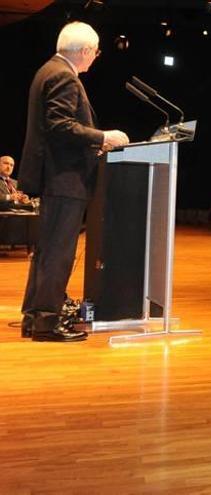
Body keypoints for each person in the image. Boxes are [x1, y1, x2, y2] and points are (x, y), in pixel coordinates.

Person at [18, 22, 130, 342]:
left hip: (55, 177)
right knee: (58, 253)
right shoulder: (63, 76)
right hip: (64, 179)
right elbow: (61, 126)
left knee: (47, 251)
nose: (95, 58)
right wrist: (102, 137)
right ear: (84, 51)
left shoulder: (48, 70)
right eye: (95, 52)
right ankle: (47, 323)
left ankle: (34, 316)